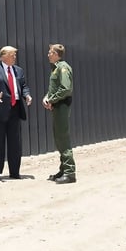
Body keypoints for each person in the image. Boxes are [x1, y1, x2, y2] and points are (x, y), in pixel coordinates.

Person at [0, 45, 32, 181]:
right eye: (12, 55)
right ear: (3, 56)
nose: (14, 57)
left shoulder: (19, 70)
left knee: (15, 143)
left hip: (15, 109)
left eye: (15, 55)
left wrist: (27, 95)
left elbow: (23, 86)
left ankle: (15, 172)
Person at [42, 43, 76, 184]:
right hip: (57, 106)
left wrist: (51, 99)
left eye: (50, 52)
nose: (48, 55)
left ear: (56, 54)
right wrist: (47, 97)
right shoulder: (56, 68)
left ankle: (70, 173)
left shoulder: (63, 68)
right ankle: (63, 170)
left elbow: (65, 89)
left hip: (62, 106)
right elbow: (55, 88)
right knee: (59, 138)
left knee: (63, 138)